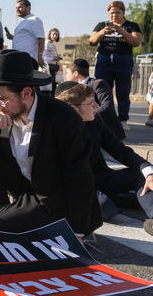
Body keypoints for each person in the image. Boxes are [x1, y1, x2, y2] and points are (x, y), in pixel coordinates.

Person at [0, 50, 101, 236]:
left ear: (26, 93)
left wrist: (77, 232)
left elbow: (80, 176)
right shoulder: (2, 109)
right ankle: (5, 209)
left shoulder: (62, 117)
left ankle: (13, 221)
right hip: (23, 191)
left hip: (53, 199)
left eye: (1, 99)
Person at [54, 82, 153, 226]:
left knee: (141, 174)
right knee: (105, 206)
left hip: (101, 177)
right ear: (74, 109)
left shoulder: (95, 120)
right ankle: (121, 199)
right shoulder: (54, 130)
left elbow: (120, 150)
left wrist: (149, 171)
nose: (96, 106)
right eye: (90, 103)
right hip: (75, 185)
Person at [89, 0, 142, 132]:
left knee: (123, 91)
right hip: (104, 61)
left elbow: (136, 42)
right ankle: (104, 119)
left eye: (117, 13)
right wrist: (101, 33)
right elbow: (91, 42)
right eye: (112, 13)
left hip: (123, 61)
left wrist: (122, 31)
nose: (114, 16)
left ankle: (123, 120)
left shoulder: (132, 26)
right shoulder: (102, 25)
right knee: (102, 91)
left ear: (123, 13)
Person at [65, 58, 125, 139]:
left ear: (75, 73)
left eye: (67, 73)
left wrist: (84, 116)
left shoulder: (98, 84)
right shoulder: (70, 88)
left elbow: (107, 107)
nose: (66, 76)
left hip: (107, 134)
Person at [4, 0, 45, 65]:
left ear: (28, 8)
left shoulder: (34, 20)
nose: (17, 10)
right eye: (16, 8)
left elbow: (41, 39)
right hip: (18, 58)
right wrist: (12, 37)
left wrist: (40, 56)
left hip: (27, 59)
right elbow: (25, 39)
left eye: (20, 7)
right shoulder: (23, 22)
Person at [43, 28, 62, 94]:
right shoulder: (47, 43)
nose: (55, 36)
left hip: (53, 68)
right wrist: (54, 59)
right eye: (53, 34)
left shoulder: (52, 44)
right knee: (49, 89)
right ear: (49, 34)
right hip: (48, 68)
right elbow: (43, 58)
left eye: (56, 34)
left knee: (53, 87)